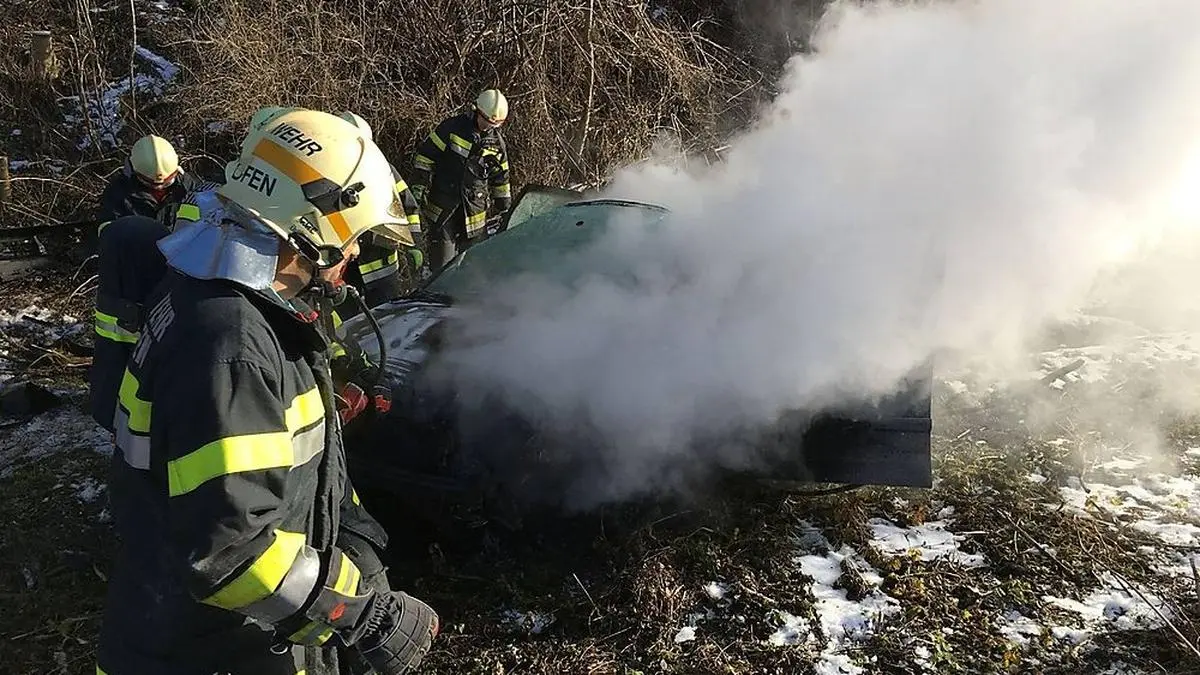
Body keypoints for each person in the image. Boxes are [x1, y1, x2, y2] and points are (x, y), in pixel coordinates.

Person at [95, 108, 439, 675]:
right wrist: (363, 614)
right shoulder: (230, 344)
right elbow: (231, 551)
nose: (353, 256)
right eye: (350, 238)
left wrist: (356, 555)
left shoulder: (223, 300)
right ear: (310, 228)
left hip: (231, 636)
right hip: (208, 652)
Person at [411, 89, 513, 271]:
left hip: (475, 216)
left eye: (494, 125)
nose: (488, 127)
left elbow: (501, 179)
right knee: (442, 269)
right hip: (444, 210)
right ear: (477, 111)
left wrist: (505, 207)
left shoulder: (497, 144)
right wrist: (419, 186)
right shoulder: (451, 129)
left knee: (470, 271)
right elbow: (425, 157)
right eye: (487, 122)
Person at [337, 111, 426, 312]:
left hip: (381, 263)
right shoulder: (325, 169)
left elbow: (408, 206)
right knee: (348, 323)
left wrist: (415, 243)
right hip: (344, 267)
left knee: (388, 317)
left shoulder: (382, 168)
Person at [95, 134, 200, 239]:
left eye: (168, 182)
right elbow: (108, 235)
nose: (160, 188)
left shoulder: (188, 187)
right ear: (134, 171)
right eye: (151, 184)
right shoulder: (117, 194)